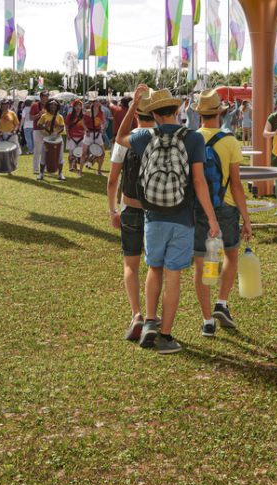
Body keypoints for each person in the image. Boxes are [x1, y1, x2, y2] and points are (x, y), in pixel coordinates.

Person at [120, 86, 221, 355]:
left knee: (154, 269)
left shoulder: (145, 136)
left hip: (153, 216)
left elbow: (119, 137)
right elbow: (199, 182)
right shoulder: (193, 138)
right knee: (173, 275)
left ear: (154, 114)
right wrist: (212, 219)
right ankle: (165, 336)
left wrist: (133, 106)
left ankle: (149, 322)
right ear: (177, 110)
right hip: (182, 217)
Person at [191, 89, 252, 337]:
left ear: (199, 114)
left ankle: (207, 320)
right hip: (225, 207)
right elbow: (236, 185)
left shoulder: (191, 139)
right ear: (220, 113)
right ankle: (222, 302)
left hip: (198, 208)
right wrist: (246, 218)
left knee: (203, 262)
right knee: (230, 254)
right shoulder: (230, 141)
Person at [108, 89, 156, 343]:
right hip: (157, 209)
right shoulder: (161, 138)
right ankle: (151, 316)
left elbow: (112, 180)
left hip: (129, 207)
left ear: (136, 113)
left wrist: (112, 210)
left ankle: (136, 313)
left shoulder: (126, 140)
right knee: (155, 265)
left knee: (131, 264)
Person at [37, 99, 67, 180]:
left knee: (60, 157)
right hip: (47, 138)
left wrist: (56, 133)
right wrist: (44, 127)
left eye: (55, 105)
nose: (53, 106)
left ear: (57, 106)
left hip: (58, 138)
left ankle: (60, 174)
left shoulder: (60, 117)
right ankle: (41, 174)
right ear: (48, 106)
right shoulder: (44, 116)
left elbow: (62, 127)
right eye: (51, 104)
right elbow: (39, 125)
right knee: (43, 156)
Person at [0, 100, 20, 175]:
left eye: (7, 104)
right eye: (4, 104)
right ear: (1, 105)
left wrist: (14, 130)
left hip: (11, 135)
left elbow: (17, 124)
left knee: (11, 153)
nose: (6, 106)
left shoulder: (12, 113)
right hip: (1, 135)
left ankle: (10, 169)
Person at [29, 90, 49, 177]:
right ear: (41, 97)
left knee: (47, 149)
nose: (46, 98)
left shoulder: (49, 105)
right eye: (44, 96)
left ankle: (45, 167)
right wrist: (39, 114)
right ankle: (36, 168)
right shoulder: (35, 105)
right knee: (37, 149)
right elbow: (30, 118)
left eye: (47, 96)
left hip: (47, 130)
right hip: (37, 130)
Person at [84, 99, 107, 174]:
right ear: (93, 103)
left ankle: (99, 170)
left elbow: (104, 122)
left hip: (98, 134)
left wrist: (102, 128)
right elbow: (83, 122)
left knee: (102, 153)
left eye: (98, 102)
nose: (97, 103)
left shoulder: (101, 113)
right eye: (95, 102)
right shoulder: (88, 112)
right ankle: (88, 162)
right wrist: (86, 130)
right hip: (89, 134)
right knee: (86, 152)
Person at [65, 99, 86, 174]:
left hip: (81, 137)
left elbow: (86, 126)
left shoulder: (84, 116)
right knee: (71, 152)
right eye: (76, 106)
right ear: (73, 107)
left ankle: (76, 165)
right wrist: (67, 134)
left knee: (79, 153)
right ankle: (70, 166)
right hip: (72, 136)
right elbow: (66, 125)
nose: (78, 107)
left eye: (79, 106)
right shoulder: (70, 115)